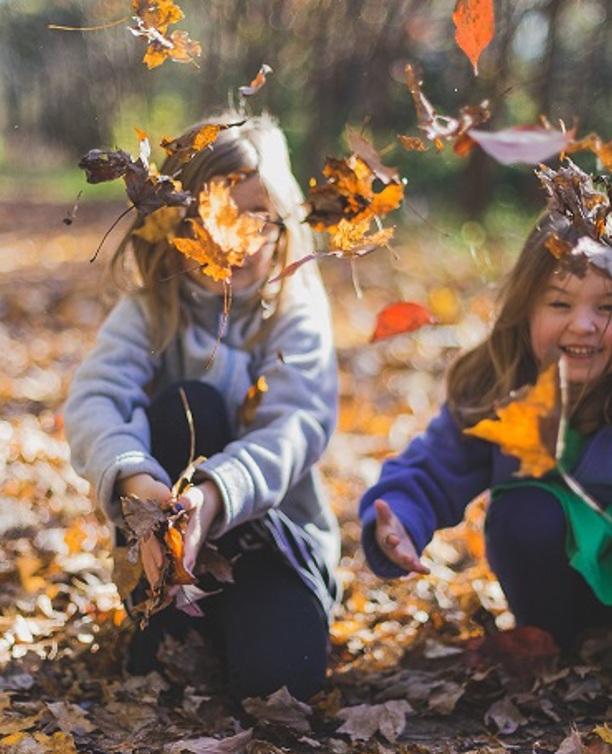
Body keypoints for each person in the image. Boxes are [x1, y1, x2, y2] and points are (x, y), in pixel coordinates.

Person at [65, 113, 340, 701]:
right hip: (165, 549)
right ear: (173, 221)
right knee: (187, 404)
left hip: (272, 546)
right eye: (212, 213)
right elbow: (96, 397)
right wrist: (137, 482)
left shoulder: (293, 312)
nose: (234, 237)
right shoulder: (151, 310)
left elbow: (297, 425)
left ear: (282, 222)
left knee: (281, 686)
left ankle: (255, 624)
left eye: (255, 215)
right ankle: (169, 618)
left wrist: (213, 496)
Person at [360, 208, 612, 650]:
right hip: (557, 593)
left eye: (607, 307)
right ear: (525, 309)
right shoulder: (501, 388)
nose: (583, 325)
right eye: (560, 304)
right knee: (525, 513)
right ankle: (551, 642)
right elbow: (432, 468)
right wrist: (400, 517)